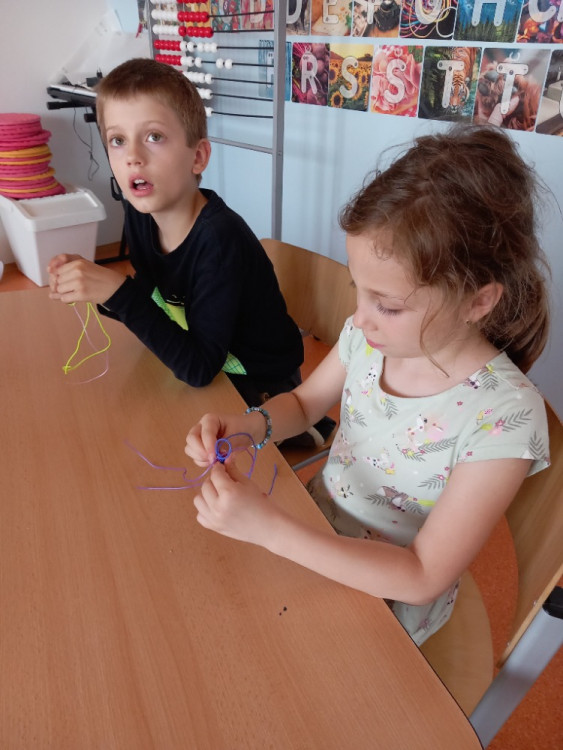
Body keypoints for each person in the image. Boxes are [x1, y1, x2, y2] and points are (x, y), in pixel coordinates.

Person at [184, 124, 552, 646]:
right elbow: (305, 405)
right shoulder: (368, 337)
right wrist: (249, 426)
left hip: (383, 600)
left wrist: (268, 529)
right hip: (311, 529)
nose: (360, 318)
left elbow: (422, 576)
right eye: (359, 290)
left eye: (389, 305)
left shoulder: (505, 417)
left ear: (478, 301)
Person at [47, 58, 304, 407]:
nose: (132, 157)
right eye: (118, 140)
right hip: (205, 357)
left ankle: (310, 430)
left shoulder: (219, 241)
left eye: (154, 137)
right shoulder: (141, 214)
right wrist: (97, 286)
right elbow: (154, 300)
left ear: (197, 157)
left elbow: (199, 369)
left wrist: (117, 292)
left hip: (261, 382)